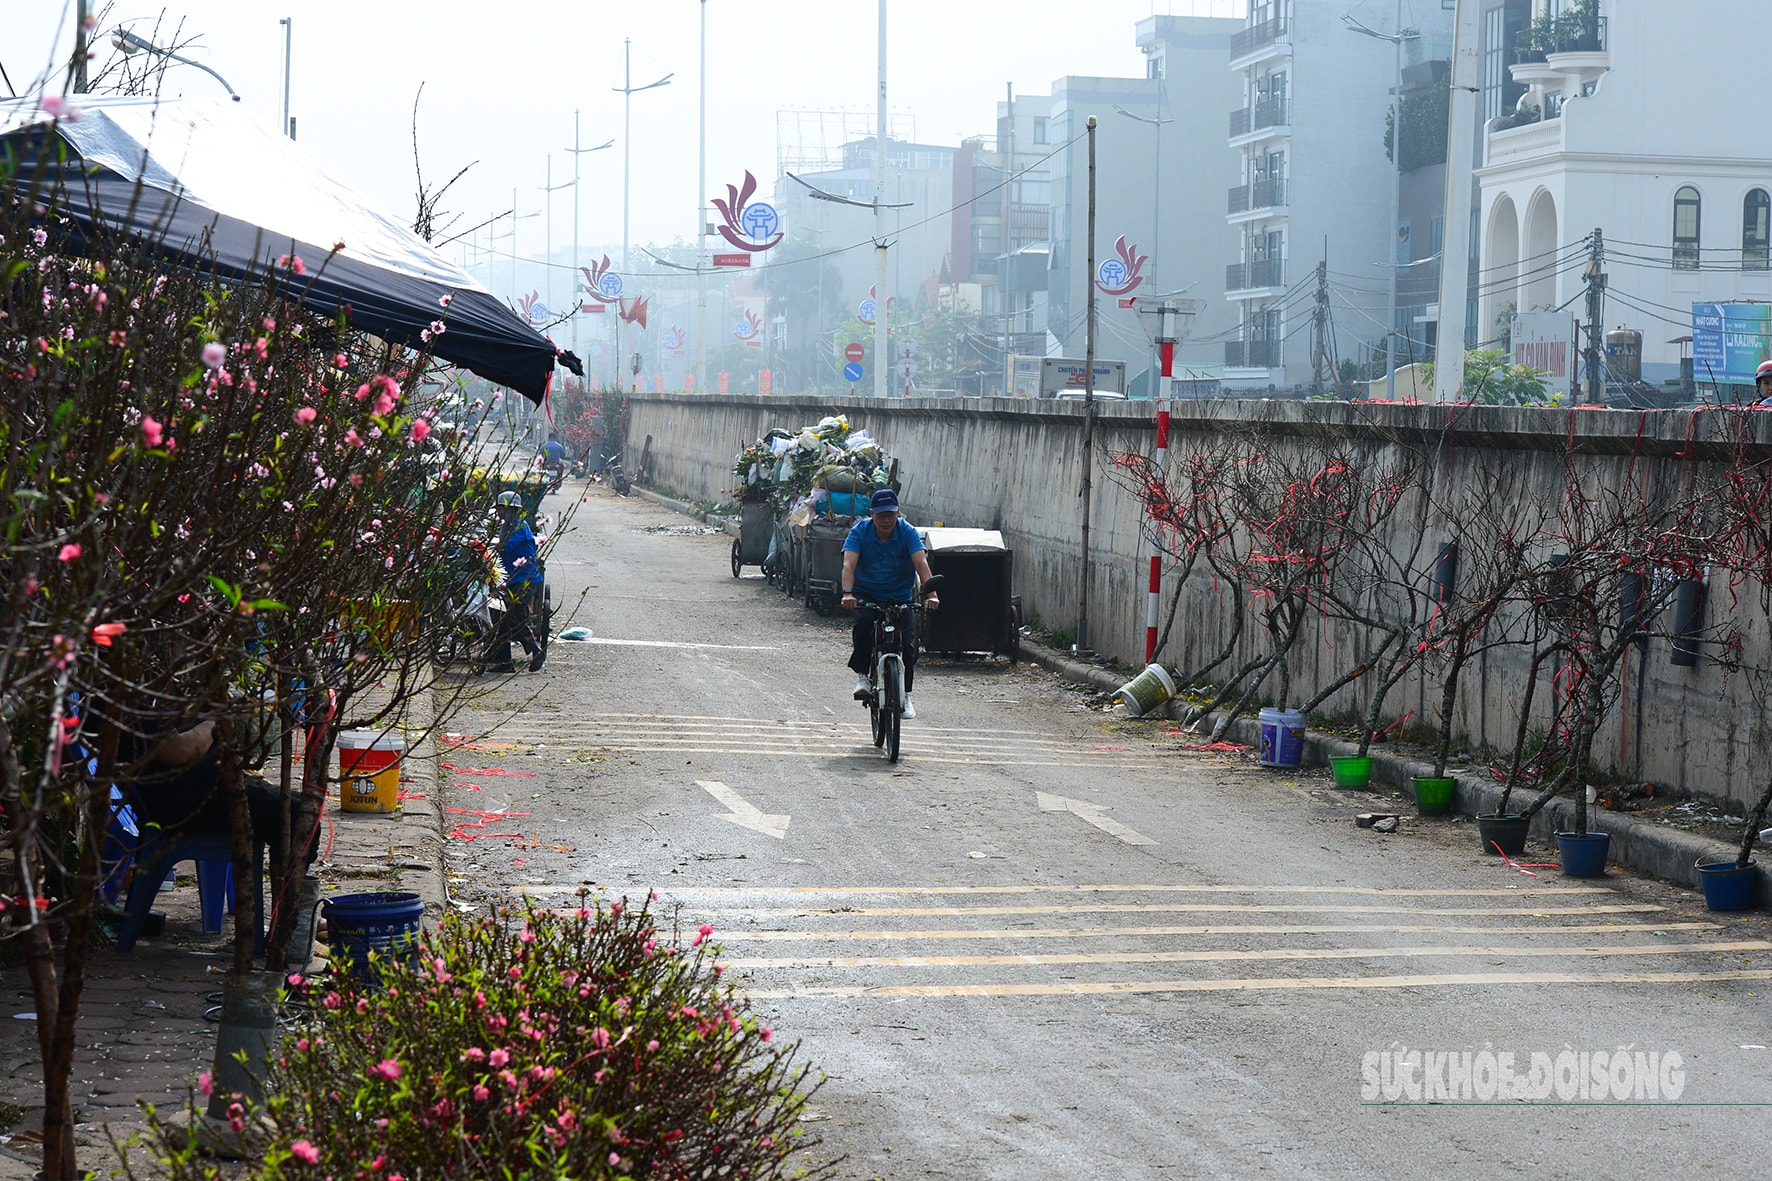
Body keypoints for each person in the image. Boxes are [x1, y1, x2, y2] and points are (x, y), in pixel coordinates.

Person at [839, 488, 939, 719]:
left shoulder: (908, 532)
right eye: (881, 515)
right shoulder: (860, 531)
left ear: (898, 513)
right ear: (872, 513)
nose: (886, 520)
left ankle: (905, 696)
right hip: (866, 594)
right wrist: (847, 593)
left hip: (900, 596)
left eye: (891, 515)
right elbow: (848, 565)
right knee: (863, 626)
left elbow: (921, 565)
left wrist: (930, 595)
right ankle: (863, 676)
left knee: (908, 643)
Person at [483, 491, 546, 673]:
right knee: (501, 617)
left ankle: (535, 650)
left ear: (510, 509)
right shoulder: (507, 526)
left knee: (513, 617)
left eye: (501, 509)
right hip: (512, 579)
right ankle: (502, 660)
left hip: (524, 579)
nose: (499, 513)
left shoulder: (519, 526)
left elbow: (506, 547)